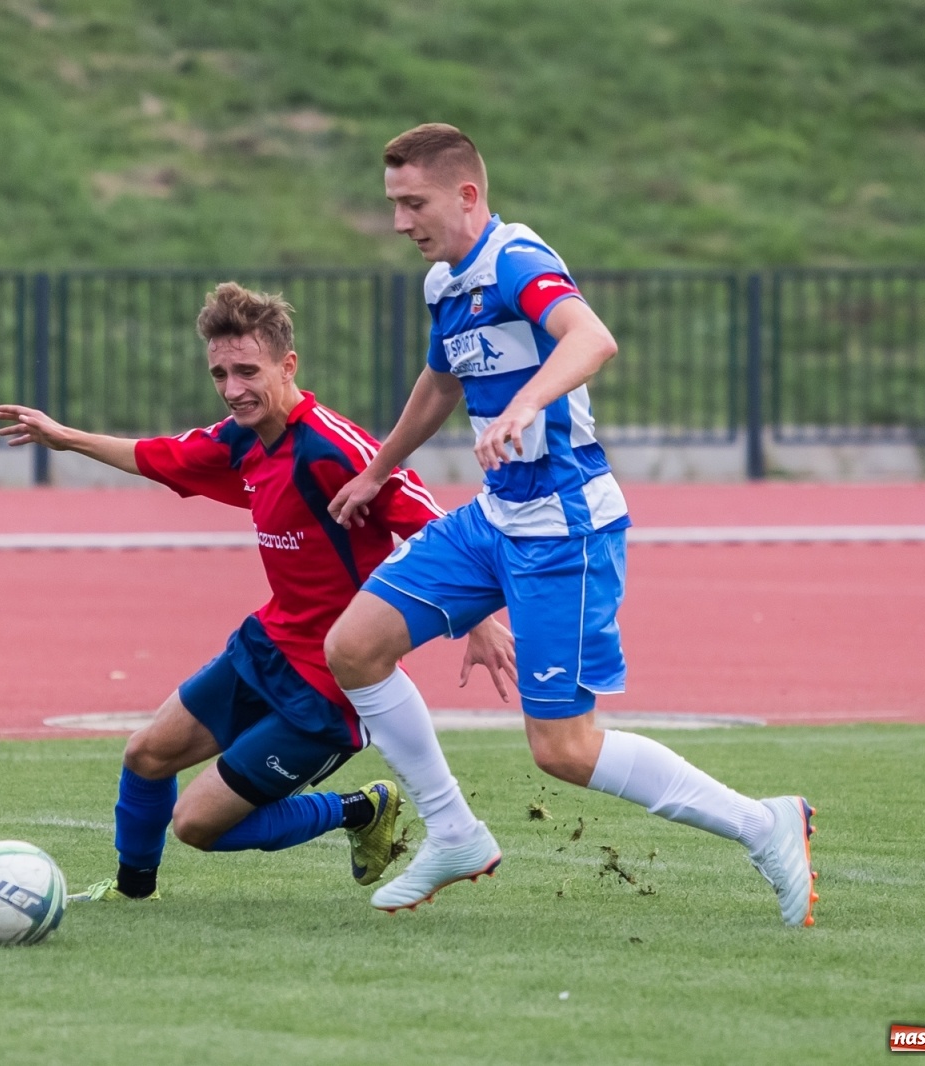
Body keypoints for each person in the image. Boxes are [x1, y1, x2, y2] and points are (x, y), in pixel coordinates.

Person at [323, 123, 819, 926]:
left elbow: (592, 338)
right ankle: (453, 832)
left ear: (467, 195)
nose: (399, 222)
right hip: (496, 517)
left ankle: (765, 824)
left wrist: (524, 404)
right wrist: (378, 470)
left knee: (565, 750)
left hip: (565, 529)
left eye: (413, 203)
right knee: (354, 647)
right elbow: (442, 381)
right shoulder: (445, 283)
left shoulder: (517, 261)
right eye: (391, 204)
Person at [0, 281, 514, 903]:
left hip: (329, 687)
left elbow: (428, 517)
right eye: (220, 373)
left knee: (198, 825)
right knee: (146, 756)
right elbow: (153, 455)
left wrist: (476, 618)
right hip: (267, 644)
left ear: (287, 365)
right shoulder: (241, 439)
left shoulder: (331, 446)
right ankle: (131, 897)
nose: (233, 387)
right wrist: (66, 436)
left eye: (247, 370)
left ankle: (361, 809)